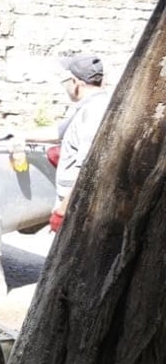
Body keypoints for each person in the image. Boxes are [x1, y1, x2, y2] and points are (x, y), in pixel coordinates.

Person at [48, 54, 111, 232]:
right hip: (75, 203)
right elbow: (60, 131)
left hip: (75, 205)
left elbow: (86, 168)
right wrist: (20, 136)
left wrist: (62, 210)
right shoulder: (92, 104)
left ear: (75, 82)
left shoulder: (93, 112)